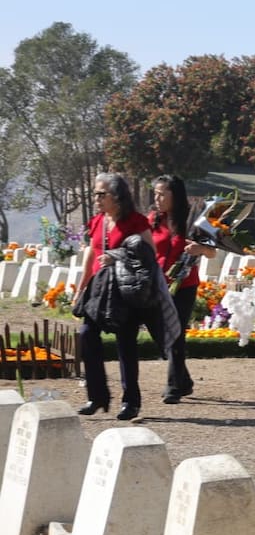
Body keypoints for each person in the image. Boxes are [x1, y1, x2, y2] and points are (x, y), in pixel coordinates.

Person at [73, 173, 154, 420]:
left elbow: (148, 254)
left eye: (100, 194)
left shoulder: (137, 222)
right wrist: (80, 288)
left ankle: (131, 402)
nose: (96, 199)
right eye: (95, 194)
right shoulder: (97, 221)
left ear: (116, 197)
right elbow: (90, 254)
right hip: (98, 289)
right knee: (87, 335)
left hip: (124, 290)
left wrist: (117, 256)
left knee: (125, 345)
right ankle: (97, 397)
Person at [150, 175, 217, 404]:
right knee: (160, 333)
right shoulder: (153, 220)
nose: (157, 199)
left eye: (162, 194)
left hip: (184, 285)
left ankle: (173, 387)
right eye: (155, 194)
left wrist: (200, 248)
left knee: (175, 333)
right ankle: (184, 380)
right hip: (157, 284)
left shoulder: (192, 220)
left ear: (174, 195)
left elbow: (212, 251)